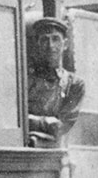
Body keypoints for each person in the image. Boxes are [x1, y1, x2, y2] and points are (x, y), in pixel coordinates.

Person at [25, 17, 85, 147]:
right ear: (37, 44)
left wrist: (30, 120)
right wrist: (48, 122)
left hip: (55, 154)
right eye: (44, 40)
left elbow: (63, 126)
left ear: (65, 44)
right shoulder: (25, 81)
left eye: (55, 39)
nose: (50, 45)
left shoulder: (73, 84)